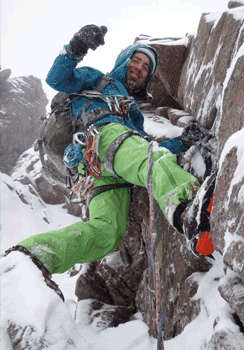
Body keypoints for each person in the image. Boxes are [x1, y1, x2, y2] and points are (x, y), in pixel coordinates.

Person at [3, 25, 216, 300]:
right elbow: (57, 78)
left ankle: (36, 255)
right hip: (102, 139)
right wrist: (77, 45)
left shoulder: (133, 114)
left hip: (100, 170)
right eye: (136, 61)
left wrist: (183, 141)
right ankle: (186, 211)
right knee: (151, 158)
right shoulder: (97, 80)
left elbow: (143, 149)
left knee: (106, 232)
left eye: (145, 68)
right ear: (124, 60)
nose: (139, 68)